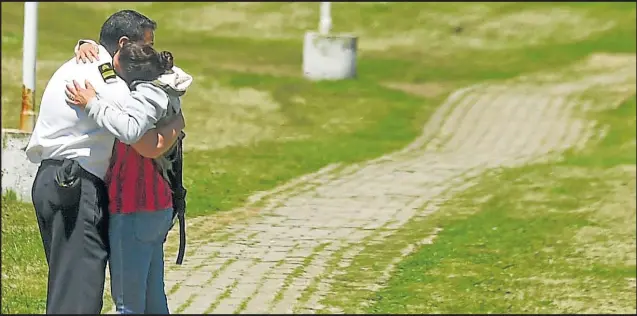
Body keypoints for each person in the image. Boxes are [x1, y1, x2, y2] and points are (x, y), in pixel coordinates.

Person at [25, 10, 184, 314]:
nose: (149, 55)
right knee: (79, 294)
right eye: (146, 45)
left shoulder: (88, 62)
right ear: (123, 44)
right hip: (75, 184)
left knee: (69, 283)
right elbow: (139, 134)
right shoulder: (107, 80)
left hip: (54, 179)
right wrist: (175, 121)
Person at [65, 42, 193, 314]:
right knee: (152, 298)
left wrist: (92, 104)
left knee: (128, 304)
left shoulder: (144, 98)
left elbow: (131, 132)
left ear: (130, 72)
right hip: (157, 205)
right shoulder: (162, 86)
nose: (110, 67)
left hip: (135, 206)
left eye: (115, 64)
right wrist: (86, 44)